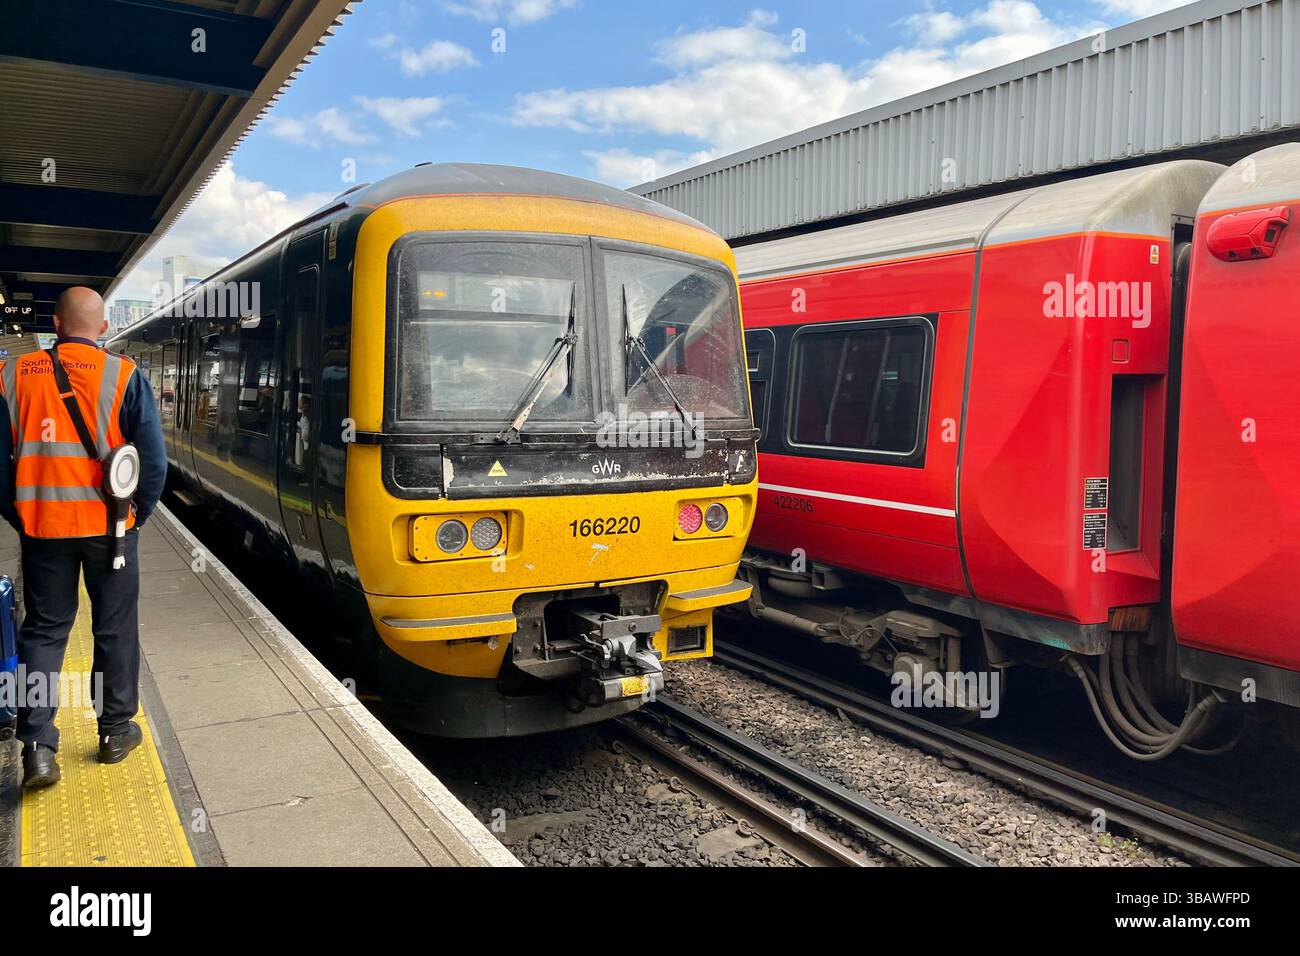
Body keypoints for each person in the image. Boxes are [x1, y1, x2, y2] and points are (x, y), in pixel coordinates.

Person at [0, 287, 166, 789]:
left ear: (55, 323)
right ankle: (115, 732)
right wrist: (133, 519)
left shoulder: (10, 375)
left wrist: (21, 515)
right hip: (109, 532)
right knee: (113, 628)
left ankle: (37, 747)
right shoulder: (124, 375)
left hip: (43, 529)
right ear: (101, 327)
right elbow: (153, 463)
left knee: (44, 632)